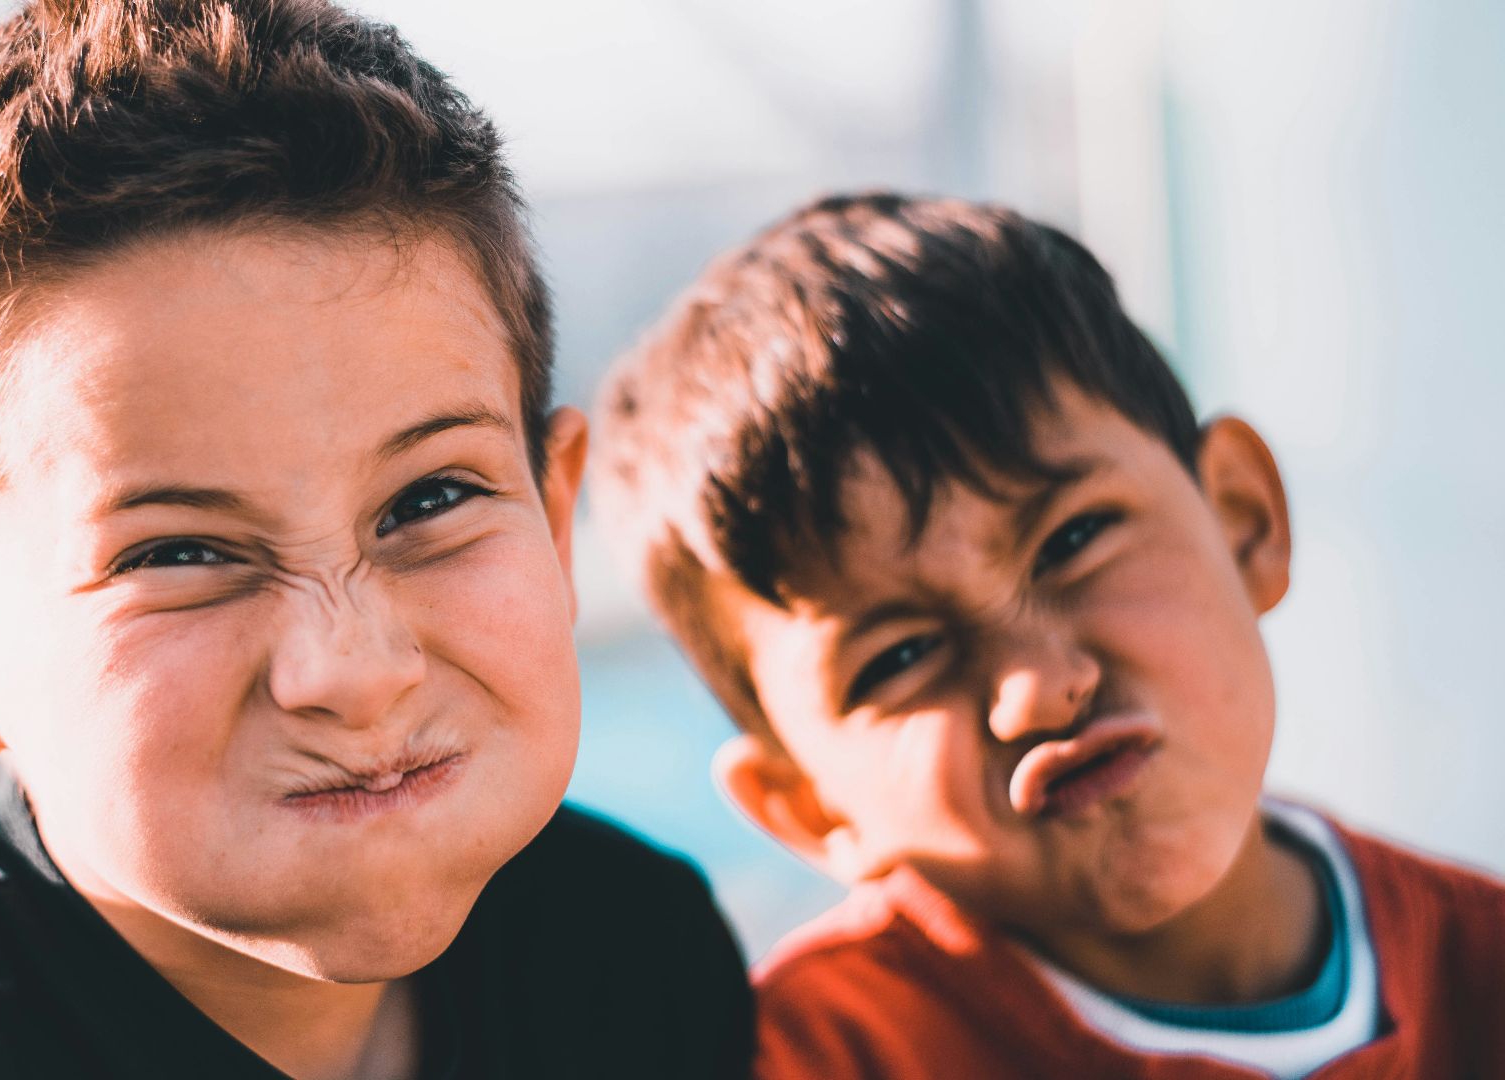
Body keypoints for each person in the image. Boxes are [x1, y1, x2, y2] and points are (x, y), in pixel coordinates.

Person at [0, 2, 752, 1077]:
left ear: (555, 518)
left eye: (428, 500)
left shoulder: (633, 957)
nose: (353, 672)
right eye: (178, 554)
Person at [589, 191, 1505, 1078]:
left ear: (1242, 519)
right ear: (807, 806)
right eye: (899, 657)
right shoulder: (806, 1060)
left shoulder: (1480, 970)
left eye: (1073, 540)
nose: (1035, 688)